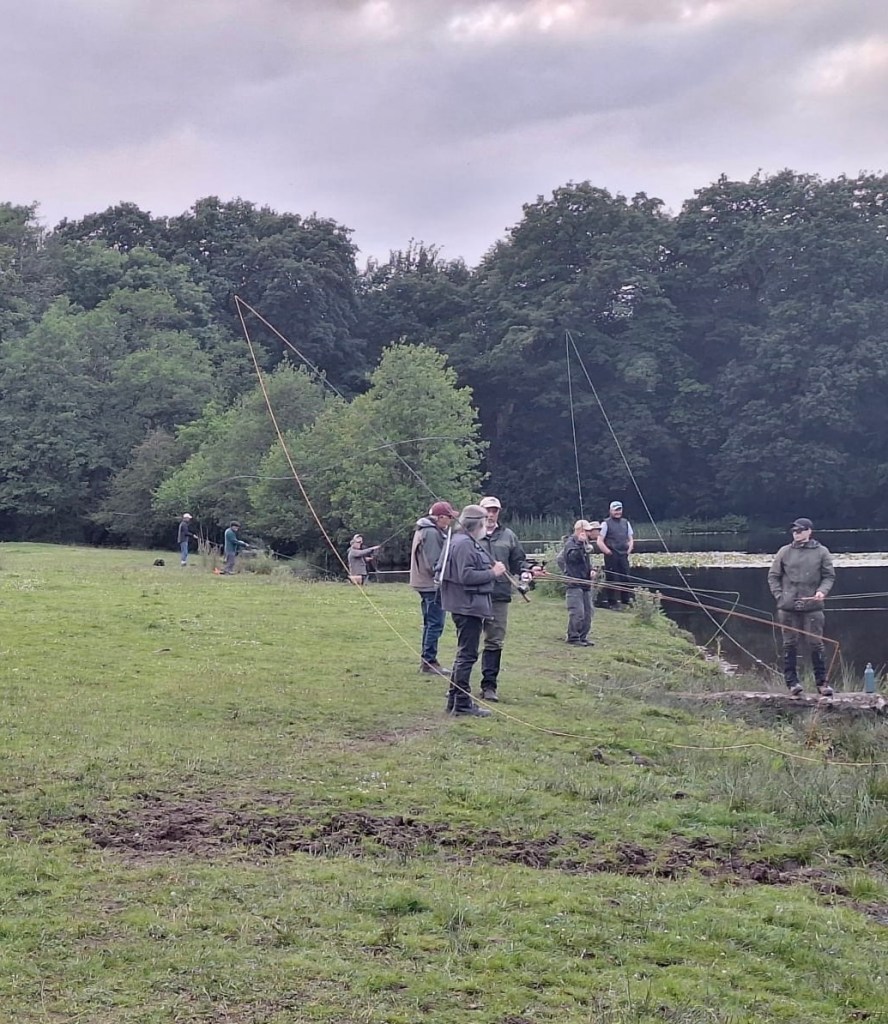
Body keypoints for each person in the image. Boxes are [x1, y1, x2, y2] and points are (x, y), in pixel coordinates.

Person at [437, 504, 507, 717]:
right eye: (484, 521)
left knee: (464, 654)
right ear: (476, 523)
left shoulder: (462, 541)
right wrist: (493, 573)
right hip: (467, 606)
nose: (487, 525)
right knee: (467, 656)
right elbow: (466, 576)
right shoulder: (465, 544)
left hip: (466, 605)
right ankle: (462, 704)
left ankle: (454, 701)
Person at [767, 518, 836, 697]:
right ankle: (792, 683)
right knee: (789, 644)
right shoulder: (784, 551)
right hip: (787, 607)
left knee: (816, 644)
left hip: (813, 607)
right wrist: (779, 596)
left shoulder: (822, 552)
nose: (796, 533)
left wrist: (822, 591)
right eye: (794, 531)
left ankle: (822, 684)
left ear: (809, 531)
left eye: (800, 530)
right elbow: (773, 576)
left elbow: (829, 576)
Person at [476, 495, 533, 702]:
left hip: (499, 596)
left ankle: (489, 686)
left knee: (494, 642)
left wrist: (527, 570)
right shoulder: (470, 534)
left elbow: (519, 561)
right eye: (487, 510)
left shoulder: (509, 535)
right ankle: (458, 685)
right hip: (473, 595)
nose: (490, 514)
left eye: (494, 511)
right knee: (468, 641)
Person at [410, 500, 457, 676]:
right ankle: (429, 662)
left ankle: (427, 660)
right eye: (449, 517)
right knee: (435, 623)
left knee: (430, 622)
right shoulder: (430, 532)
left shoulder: (425, 529)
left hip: (425, 583)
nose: (450, 521)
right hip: (431, 585)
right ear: (440, 517)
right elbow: (435, 563)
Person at [561, 520, 600, 646]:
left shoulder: (585, 544)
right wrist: (579, 543)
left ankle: (583, 637)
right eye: (587, 531)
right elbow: (573, 558)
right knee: (577, 612)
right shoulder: (570, 543)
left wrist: (592, 570)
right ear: (579, 531)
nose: (589, 533)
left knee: (588, 613)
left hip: (585, 583)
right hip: (574, 584)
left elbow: (585, 562)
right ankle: (573, 637)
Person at [597, 501, 634, 609]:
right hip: (611, 555)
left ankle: (625, 601)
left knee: (626, 578)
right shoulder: (605, 523)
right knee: (611, 578)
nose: (618, 512)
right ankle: (612, 602)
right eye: (615, 510)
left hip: (623, 555)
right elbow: (599, 541)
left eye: (619, 509)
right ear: (610, 510)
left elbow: (631, 539)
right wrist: (608, 552)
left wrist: (629, 549)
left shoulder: (626, 523)